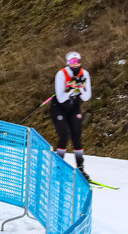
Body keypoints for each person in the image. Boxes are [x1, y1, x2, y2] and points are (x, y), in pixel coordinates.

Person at [50, 51, 92, 180]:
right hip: (59, 108)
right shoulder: (61, 74)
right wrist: (72, 89)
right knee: (64, 133)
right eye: (72, 61)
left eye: (77, 61)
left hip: (74, 107)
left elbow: (86, 97)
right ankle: (58, 167)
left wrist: (80, 88)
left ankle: (80, 168)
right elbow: (61, 98)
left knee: (76, 135)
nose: (75, 64)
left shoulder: (84, 74)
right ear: (68, 63)